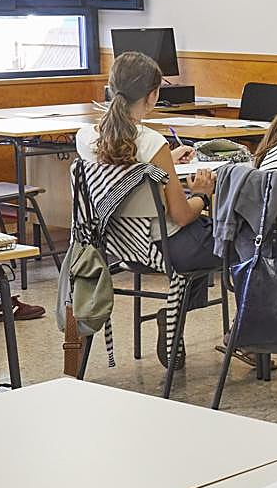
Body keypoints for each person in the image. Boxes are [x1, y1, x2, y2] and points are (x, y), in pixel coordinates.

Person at [75, 51, 220, 360]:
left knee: (202, 244)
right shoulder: (153, 143)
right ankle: (188, 321)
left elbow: (124, 170)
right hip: (165, 248)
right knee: (235, 241)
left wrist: (166, 165)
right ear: (153, 95)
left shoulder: (85, 137)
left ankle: (173, 316)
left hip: (118, 246)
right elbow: (181, 215)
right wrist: (203, 195)